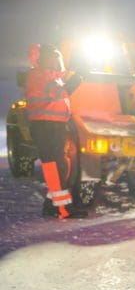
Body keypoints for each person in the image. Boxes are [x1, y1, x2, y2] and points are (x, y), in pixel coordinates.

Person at [24, 44, 86, 218]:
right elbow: (58, 93)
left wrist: (78, 72)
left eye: (57, 59)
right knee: (56, 166)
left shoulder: (48, 75)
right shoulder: (37, 75)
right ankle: (63, 209)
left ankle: (52, 206)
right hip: (45, 126)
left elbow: (62, 82)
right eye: (52, 59)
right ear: (42, 60)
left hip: (53, 125)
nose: (56, 63)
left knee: (58, 166)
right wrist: (75, 80)